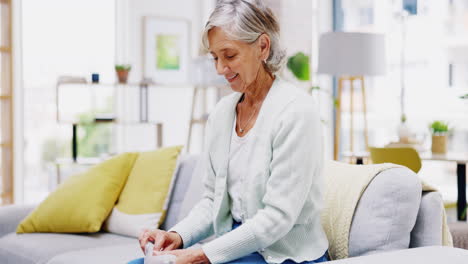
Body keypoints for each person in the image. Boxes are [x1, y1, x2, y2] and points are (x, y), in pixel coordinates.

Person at [130, 0, 329, 263]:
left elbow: (277, 218)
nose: (220, 69)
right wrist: (177, 236)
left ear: (262, 47)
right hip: (239, 247)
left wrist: (199, 255)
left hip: (285, 254)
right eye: (214, 57)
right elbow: (213, 200)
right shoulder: (222, 114)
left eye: (229, 56)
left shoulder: (296, 112)